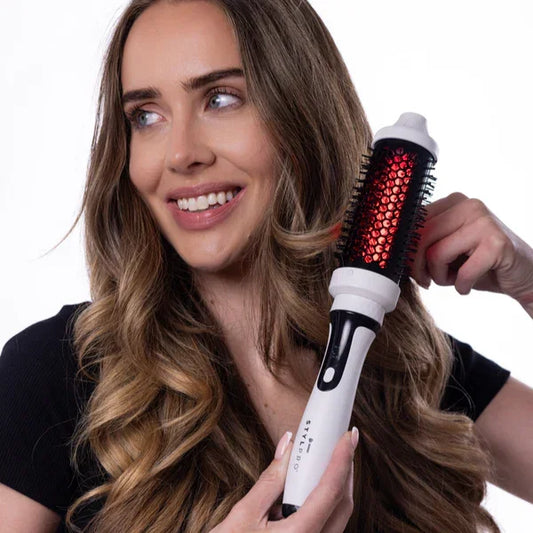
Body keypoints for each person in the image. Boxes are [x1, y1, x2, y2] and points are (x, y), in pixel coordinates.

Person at [1, 0, 532, 531]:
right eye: (146, 115)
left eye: (221, 98)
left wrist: (529, 283)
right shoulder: (57, 377)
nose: (180, 154)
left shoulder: (405, 369)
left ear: (302, 117)